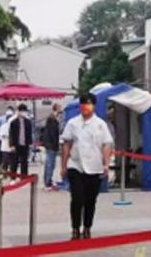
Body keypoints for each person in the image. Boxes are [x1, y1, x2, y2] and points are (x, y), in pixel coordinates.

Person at [61, 93, 113, 240]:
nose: (86, 107)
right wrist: (64, 166)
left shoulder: (101, 125)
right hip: (75, 165)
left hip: (94, 166)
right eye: (84, 104)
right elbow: (66, 145)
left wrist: (106, 164)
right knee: (77, 198)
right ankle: (75, 228)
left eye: (89, 104)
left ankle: (87, 227)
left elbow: (106, 145)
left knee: (90, 200)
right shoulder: (72, 123)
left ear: (94, 106)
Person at [42, 103, 62, 190]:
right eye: (59, 108)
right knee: (50, 164)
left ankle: (47, 181)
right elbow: (53, 133)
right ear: (56, 109)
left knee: (49, 163)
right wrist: (56, 144)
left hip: (49, 144)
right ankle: (48, 182)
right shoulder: (52, 119)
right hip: (51, 145)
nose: (61, 110)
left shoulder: (52, 118)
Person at [8, 103, 33, 175]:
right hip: (16, 144)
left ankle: (24, 176)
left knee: (24, 161)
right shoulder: (14, 122)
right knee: (14, 162)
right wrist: (11, 145)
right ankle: (13, 176)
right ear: (18, 111)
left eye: (24, 111)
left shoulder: (28, 122)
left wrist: (30, 143)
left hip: (25, 144)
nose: (23, 113)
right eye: (22, 111)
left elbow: (29, 133)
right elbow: (11, 134)